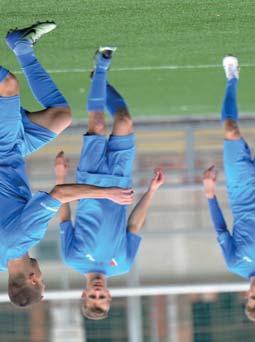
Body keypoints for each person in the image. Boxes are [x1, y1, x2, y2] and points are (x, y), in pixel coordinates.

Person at [1, 22, 133, 308]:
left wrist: (106, 192)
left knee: (7, 85)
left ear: (34, 279)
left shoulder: (23, 239)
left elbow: (59, 196)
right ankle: (21, 45)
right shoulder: (2, 259)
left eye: (43, 281)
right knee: (60, 116)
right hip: (14, 153)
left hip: (3, 151)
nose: (44, 277)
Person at [54, 47, 165, 320]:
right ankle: (99, 81)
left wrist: (60, 177)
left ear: (84, 294)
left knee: (99, 125)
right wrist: (152, 191)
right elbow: (135, 225)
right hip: (120, 181)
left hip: (90, 180)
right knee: (124, 120)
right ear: (109, 296)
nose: (97, 292)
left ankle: (101, 67)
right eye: (102, 298)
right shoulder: (123, 263)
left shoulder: (72, 259)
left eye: (92, 297)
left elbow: (65, 218)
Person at [201, 54, 255, 323]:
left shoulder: (235, 263)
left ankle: (232, 77)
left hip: (240, 189)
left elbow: (222, 231)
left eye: (254, 298)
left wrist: (210, 194)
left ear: (246, 296)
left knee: (231, 129)